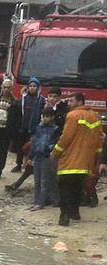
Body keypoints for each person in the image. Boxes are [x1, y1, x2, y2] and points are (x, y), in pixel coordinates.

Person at [51, 93, 103, 226]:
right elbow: (98, 140)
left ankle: (64, 216)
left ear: (79, 102)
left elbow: (65, 138)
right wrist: (96, 160)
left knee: (64, 187)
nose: (68, 104)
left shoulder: (73, 115)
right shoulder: (95, 116)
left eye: (71, 101)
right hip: (86, 161)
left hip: (70, 159)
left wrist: (55, 152)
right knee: (77, 187)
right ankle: (75, 213)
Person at [26, 107, 61, 211]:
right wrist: (30, 156)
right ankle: (37, 201)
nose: (45, 118)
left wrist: (51, 152)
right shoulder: (38, 128)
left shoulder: (55, 129)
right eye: (44, 116)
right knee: (37, 180)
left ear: (52, 117)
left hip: (47, 157)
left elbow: (55, 143)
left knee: (44, 180)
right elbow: (34, 142)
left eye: (47, 116)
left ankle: (41, 202)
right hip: (37, 156)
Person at [12, 77, 44, 173]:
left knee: (31, 148)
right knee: (20, 147)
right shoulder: (23, 98)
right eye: (30, 86)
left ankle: (28, 167)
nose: (32, 88)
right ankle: (18, 164)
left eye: (34, 86)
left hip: (34, 128)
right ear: (27, 87)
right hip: (23, 127)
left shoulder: (41, 100)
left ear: (38, 88)